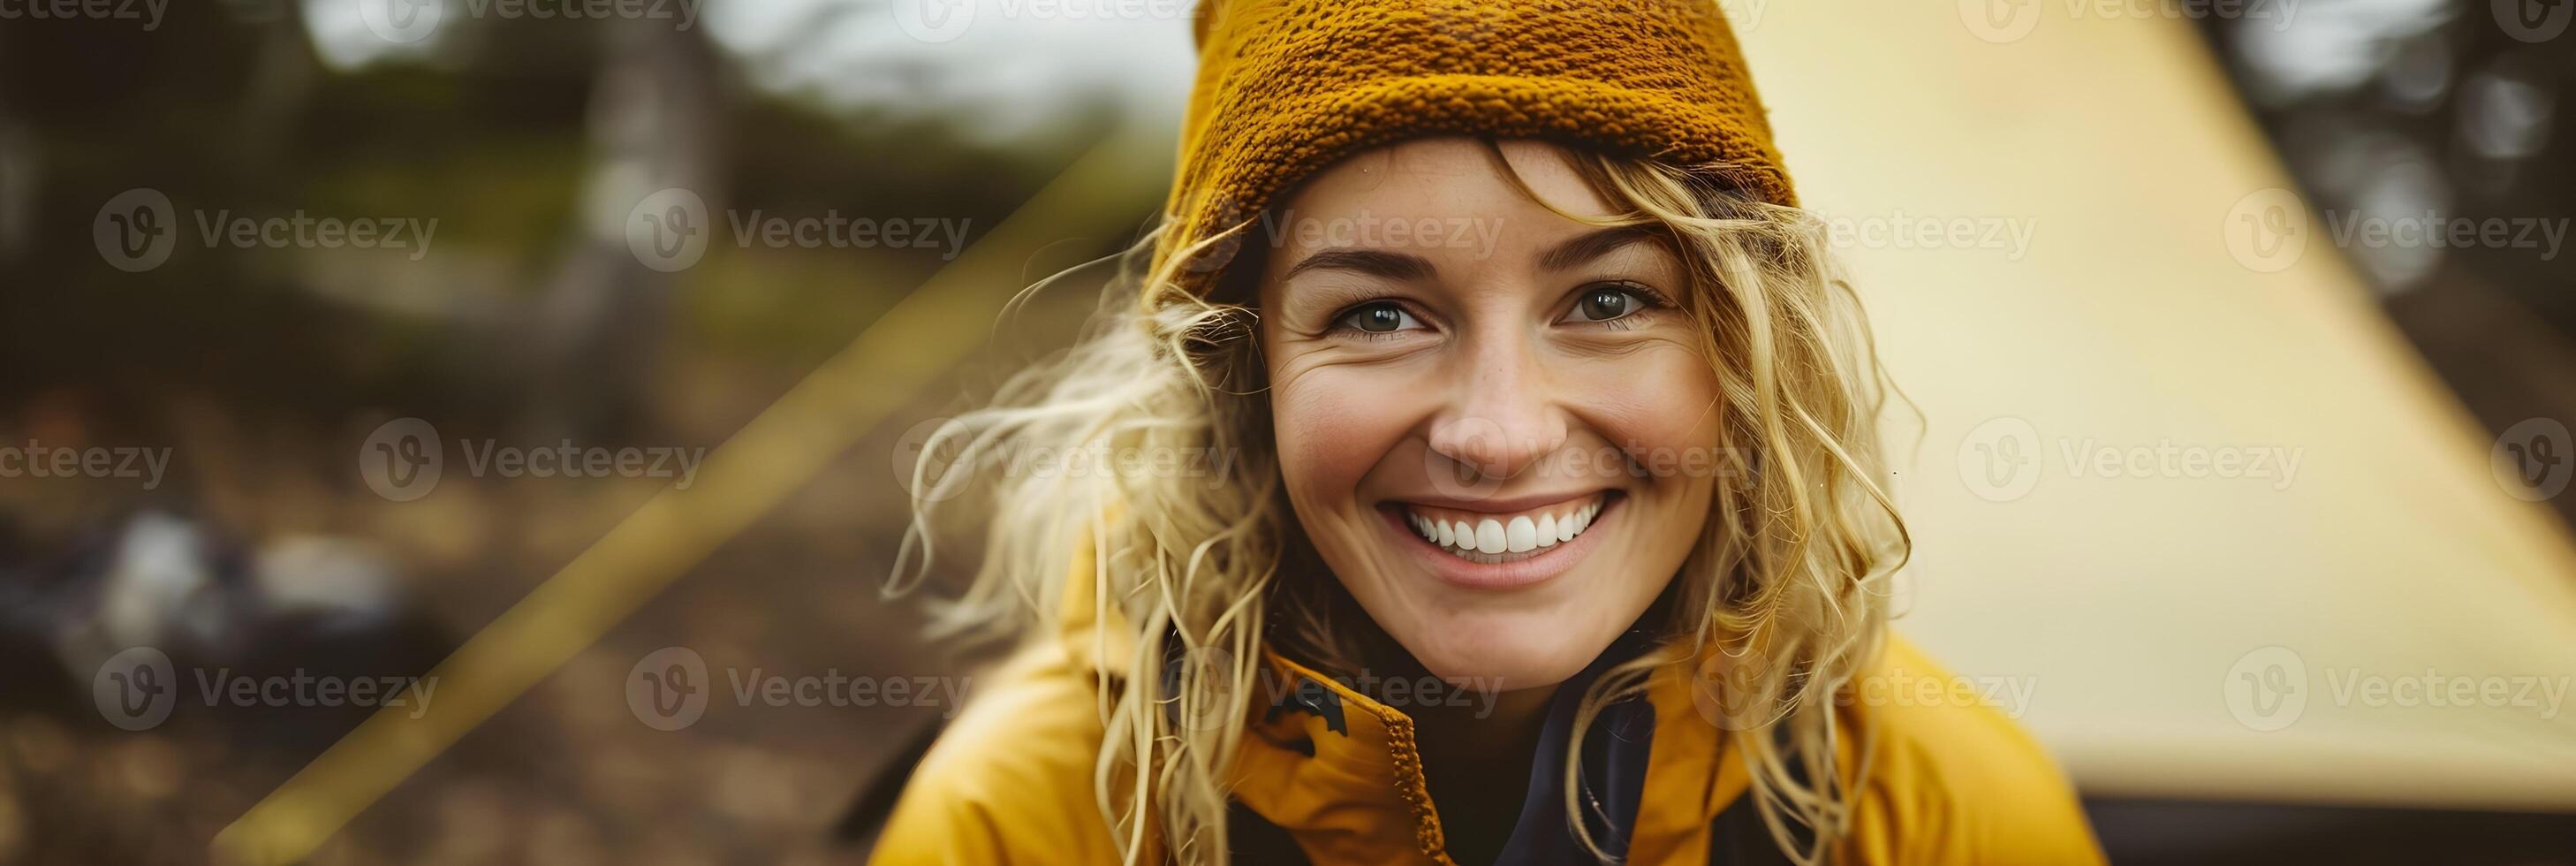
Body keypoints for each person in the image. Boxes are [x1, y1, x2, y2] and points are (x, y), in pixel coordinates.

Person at [869, 1, 2106, 862]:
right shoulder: (1028, 822)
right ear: (1244, 374)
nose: (1500, 433)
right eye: (1380, 313)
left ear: (1744, 345)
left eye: (1610, 300)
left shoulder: (1938, 806)